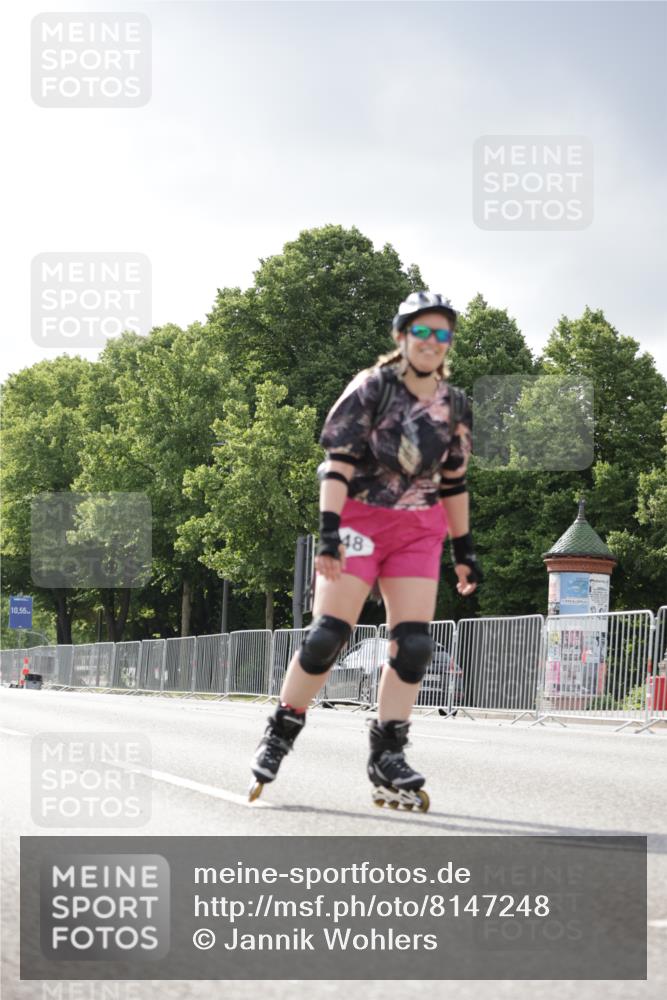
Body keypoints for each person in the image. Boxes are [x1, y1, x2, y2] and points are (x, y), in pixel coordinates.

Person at [249, 291, 483, 810]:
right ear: (402, 336)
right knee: (327, 636)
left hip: (419, 528)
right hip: (358, 519)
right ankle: (281, 729)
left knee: (415, 644)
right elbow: (338, 462)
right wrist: (328, 531)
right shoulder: (371, 388)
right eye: (421, 331)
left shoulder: (455, 405)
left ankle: (388, 753)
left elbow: (454, 482)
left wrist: (463, 548)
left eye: (441, 334)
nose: (431, 342)